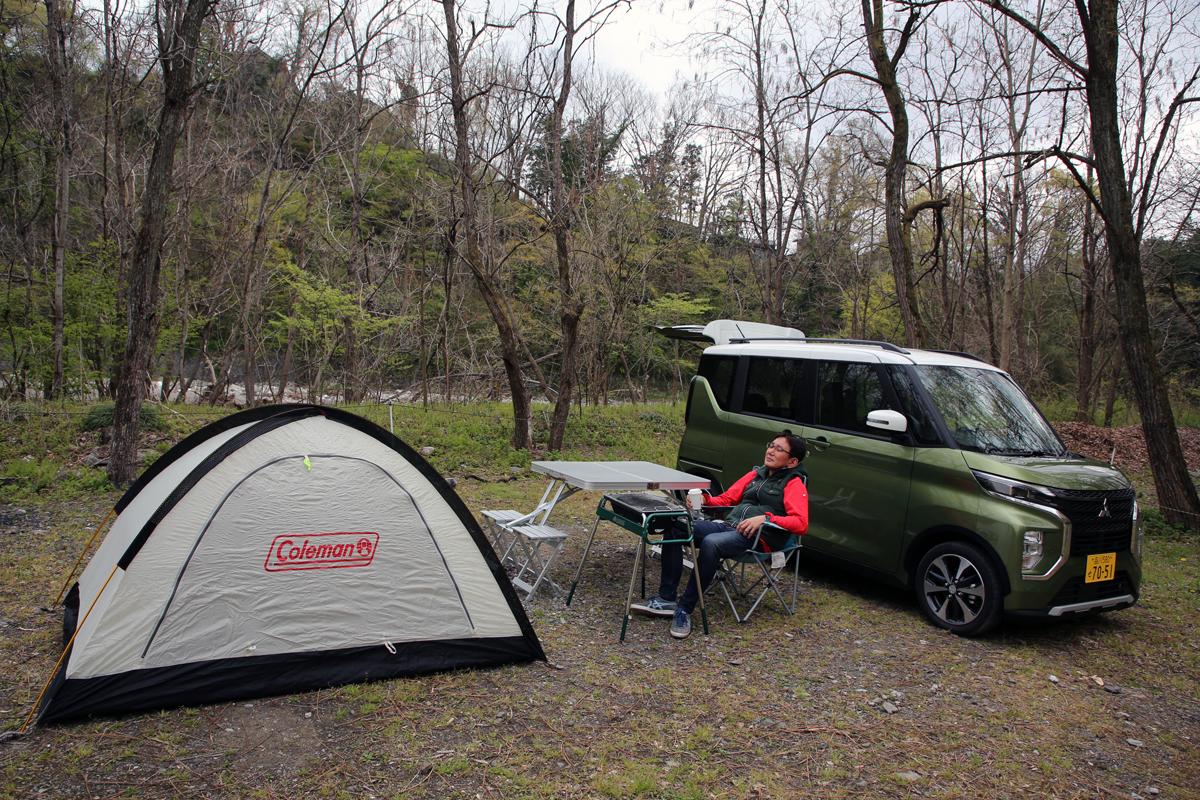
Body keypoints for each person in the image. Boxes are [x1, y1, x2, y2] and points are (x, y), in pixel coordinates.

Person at [633, 430, 809, 639]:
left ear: (792, 461)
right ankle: (667, 598)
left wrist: (766, 518)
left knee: (711, 543)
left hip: (759, 538)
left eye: (779, 449)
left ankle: (684, 610)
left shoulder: (793, 483)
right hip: (730, 526)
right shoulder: (756, 474)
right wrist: (706, 501)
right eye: (771, 445)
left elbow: (801, 523)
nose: (771, 451)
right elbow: (727, 499)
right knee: (676, 525)